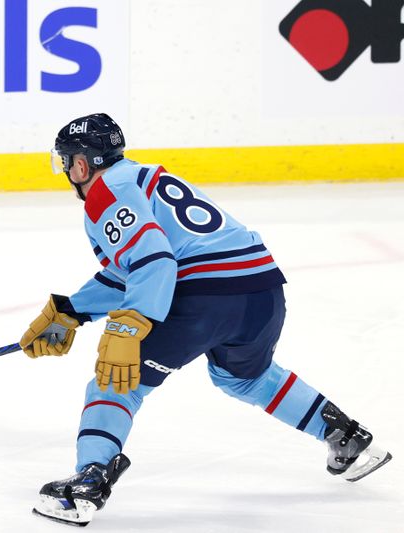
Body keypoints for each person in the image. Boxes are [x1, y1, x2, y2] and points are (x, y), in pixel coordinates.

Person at [20, 113, 392, 526]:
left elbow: (154, 261)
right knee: (246, 377)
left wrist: (130, 326)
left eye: (66, 161)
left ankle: (87, 484)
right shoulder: (143, 177)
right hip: (261, 292)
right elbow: (136, 266)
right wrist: (74, 309)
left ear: (82, 164)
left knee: (115, 379)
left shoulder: (106, 191)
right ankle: (345, 436)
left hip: (204, 299)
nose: (67, 171)